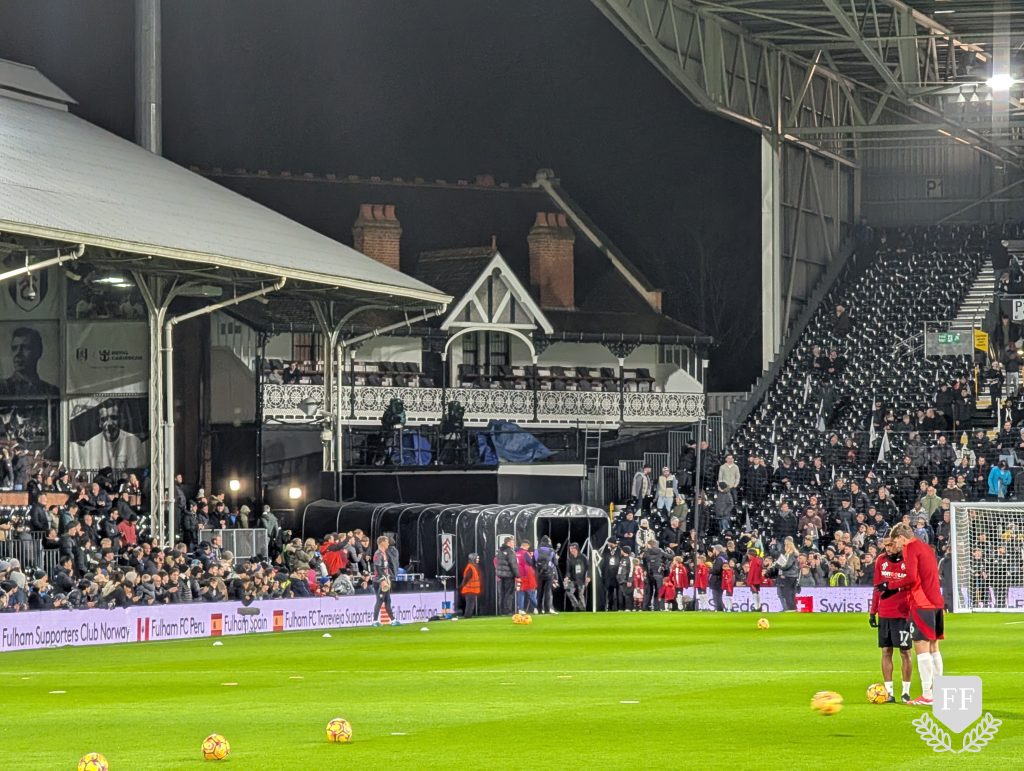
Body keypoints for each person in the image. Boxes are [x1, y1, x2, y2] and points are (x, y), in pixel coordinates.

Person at [884, 522, 945, 706]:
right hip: (936, 602)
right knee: (934, 648)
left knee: (921, 647)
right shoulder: (926, 548)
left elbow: (910, 577)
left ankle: (927, 695)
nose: (896, 546)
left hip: (922, 602)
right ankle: (938, 692)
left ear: (901, 537)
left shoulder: (910, 548)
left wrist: (892, 585)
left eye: (896, 542)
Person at [870, 538, 913, 703]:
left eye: (890, 545)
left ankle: (906, 692)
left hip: (903, 614)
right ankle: (889, 693)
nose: (887, 549)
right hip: (884, 613)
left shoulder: (908, 561)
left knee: (905, 652)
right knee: (886, 651)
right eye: (885, 545)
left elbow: (913, 583)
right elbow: (876, 587)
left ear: (899, 545)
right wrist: (873, 611)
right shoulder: (880, 560)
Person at [69, 399, 147, 470]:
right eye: (104, 419)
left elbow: (134, 472)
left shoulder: (133, 441)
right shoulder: (90, 444)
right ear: (100, 423)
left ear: (119, 420)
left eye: (113, 417)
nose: (109, 423)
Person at [0, 327, 58, 396]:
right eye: (14, 348)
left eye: (25, 347)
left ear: (38, 352)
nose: (17, 353)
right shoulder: (3, 388)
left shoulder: (51, 391)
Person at [370, 535, 400, 627]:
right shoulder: (378, 554)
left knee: (387, 600)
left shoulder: (384, 553)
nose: (388, 543)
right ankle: (375, 621)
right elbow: (378, 568)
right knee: (380, 600)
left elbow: (385, 568)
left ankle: (393, 620)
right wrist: (383, 579)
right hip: (379, 581)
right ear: (382, 542)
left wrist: (388, 578)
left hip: (384, 579)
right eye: (387, 542)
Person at [533, 535, 559, 614]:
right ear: (548, 542)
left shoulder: (536, 551)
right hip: (549, 574)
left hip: (539, 574)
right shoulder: (551, 551)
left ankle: (539, 609)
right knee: (547, 591)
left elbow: (532, 562)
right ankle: (547, 609)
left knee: (539, 592)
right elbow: (555, 563)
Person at [494, 536, 519, 615]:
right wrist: (517, 575)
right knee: (509, 593)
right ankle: (508, 610)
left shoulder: (499, 551)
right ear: (508, 543)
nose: (514, 544)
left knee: (502, 593)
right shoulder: (510, 552)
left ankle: (502, 610)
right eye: (512, 542)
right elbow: (513, 564)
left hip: (500, 575)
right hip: (509, 575)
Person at [774, 536, 800, 611]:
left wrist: (779, 566)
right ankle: (793, 608)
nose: (784, 546)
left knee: (786, 592)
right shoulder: (793, 553)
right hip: (793, 575)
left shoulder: (791, 554)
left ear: (788, 546)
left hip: (789, 575)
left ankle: (791, 608)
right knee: (791, 592)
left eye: (785, 544)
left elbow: (787, 565)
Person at [564, 542, 589, 611]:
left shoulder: (583, 557)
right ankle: (576, 605)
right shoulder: (569, 558)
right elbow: (568, 570)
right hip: (573, 579)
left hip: (581, 579)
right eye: (570, 549)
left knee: (580, 595)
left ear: (577, 549)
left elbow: (589, 567)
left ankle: (583, 609)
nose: (571, 550)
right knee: (569, 591)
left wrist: (588, 576)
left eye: (573, 549)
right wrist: (567, 577)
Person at [515, 540, 538, 614]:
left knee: (520, 592)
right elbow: (531, 563)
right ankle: (537, 607)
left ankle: (521, 609)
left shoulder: (516, 553)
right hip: (526, 575)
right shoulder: (525, 553)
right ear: (526, 546)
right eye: (528, 547)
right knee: (531, 592)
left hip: (518, 575)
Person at [459, 553, 481, 618]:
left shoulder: (473, 567)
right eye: (477, 558)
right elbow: (466, 578)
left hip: (471, 590)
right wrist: (462, 586)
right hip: (470, 590)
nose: (478, 560)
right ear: (473, 559)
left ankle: (468, 615)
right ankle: (467, 616)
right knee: (470, 604)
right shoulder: (471, 568)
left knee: (471, 604)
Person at [708, 545, 728, 611]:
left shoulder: (719, 559)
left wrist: (710, 570)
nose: (713, 551)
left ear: (717, 550)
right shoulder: (724, 557)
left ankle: (720, 609)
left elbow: (717, 570)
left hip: (717, 580)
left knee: (716, 596)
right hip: (720, 580)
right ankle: (720, 609)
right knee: (718, 596)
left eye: (714, 549)